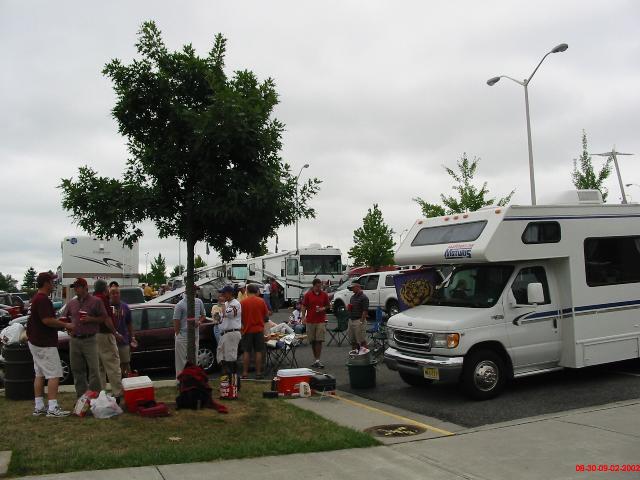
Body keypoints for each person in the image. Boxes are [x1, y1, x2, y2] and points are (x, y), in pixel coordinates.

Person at [27, 272, 74, 417]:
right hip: (44, 343)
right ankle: (53, 408)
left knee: (39, 374)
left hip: (35, 341)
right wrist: (65, 325)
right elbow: (47, 320)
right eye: (52, 281)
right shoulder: (43, 299)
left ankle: (39, 406)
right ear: (46, 283)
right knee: (54, 374)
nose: (54, 284)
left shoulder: (36, 298)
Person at [66, 277, 108, 397]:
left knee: (94, 369)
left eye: (78, 287)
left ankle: (95, 397)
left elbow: (103, 317)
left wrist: (90, 319)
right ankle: (82, 398)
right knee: (77, 370)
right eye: (74, 287)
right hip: (75, 340)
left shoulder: (96, 301)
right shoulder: (72, 303)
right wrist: (67, 326)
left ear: (85, 288)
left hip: (90, 339)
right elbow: (65, 317)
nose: (76, 289)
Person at [93, 280, 123, 399]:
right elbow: (106, 318)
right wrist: (115, 332)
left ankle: (102, 393)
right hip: (105, 335)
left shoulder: (92, 299)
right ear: (104, 289)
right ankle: (117, 392)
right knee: (112, 365)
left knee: (99, 367)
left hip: (94, 335)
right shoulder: (102, 300)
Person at [173, 288, 206, 377]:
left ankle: (193, 378)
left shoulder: (199, 302)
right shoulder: (180, 305)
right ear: (187, 291)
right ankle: (180, 380)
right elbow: (176, 321)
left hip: (195, 334)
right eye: (193, 290)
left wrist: (199, 322)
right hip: (183, 335)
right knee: (181, 361)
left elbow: (203, 315)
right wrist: (178, 335)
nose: (195, 292)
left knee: (194, 358)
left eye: (195, 290)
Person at [240, 283, 270, 379]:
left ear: (247, 291)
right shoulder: (261, 301)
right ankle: (258, 373)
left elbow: (240, 317)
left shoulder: (243, 302)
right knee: (258, 351)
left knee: (246, 351)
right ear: (256, 291)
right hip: (259, 330)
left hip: (247, 330)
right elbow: (266, 315)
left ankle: (245, 373)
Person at [301, 278, 330, 368]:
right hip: (310, 320)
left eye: (320, 286)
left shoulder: (324, 294)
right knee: (312, 341)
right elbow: (304, 306)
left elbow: (328, 306)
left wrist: (322, 308)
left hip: (320, 320)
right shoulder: (308, 295)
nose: (319, 288)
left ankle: (318, 360)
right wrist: (303, 317)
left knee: (319, 340)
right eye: (317, 286)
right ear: (313, 286)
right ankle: (315, 359)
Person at [110, 284, 135, 377]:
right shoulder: (106, 307)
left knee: (125, 364)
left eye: (117, 293)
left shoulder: (125, 307)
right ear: (109, 295)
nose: (115, 295)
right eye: (113, 293)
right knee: (113, 367)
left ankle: (126, 381)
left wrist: (132, 337)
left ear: (120, 294)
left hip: (123, 342)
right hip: (110, 342)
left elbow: (129, 324)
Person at [216, 285, 242, 376]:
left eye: (224, 293)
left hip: (232, 332)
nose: (222, 295)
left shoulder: (235, 303)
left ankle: (233, 379)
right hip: (224, 333)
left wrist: (222, 304)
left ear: (230, 293)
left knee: (230, 358)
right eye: (222, 293)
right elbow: (220, 317)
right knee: (221, 357)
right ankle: (226, 379)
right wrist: (217, 317)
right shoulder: (226, 304)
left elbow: (228, 314)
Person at [348, 280, 370, 355]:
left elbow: (365, 311)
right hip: (351, 320)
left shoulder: (364, 297)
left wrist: (361, 321)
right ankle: (355, 356)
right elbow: (351, 308)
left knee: (362, 340)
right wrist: (349, 309)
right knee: (353, 341)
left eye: (353, 287)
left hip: (359, 320)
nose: (352, 289)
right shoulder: (352, 297)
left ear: (358, 287)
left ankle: (366, 356)